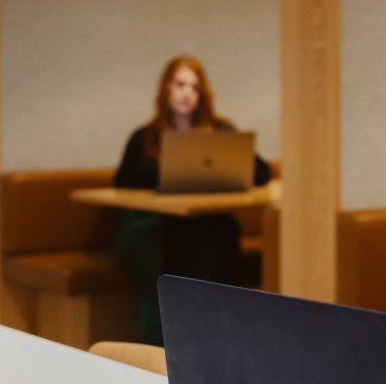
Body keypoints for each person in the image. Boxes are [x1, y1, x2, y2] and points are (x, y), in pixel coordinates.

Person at [114, 55, 271, 344]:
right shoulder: (146, 137)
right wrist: (172, 172)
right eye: (180, 84)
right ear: (166, 88)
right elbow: (123, 180)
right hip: (153, 223)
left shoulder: (220, 131)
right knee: (168, 240)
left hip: (205, 223)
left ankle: (215, 336)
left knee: (220, 233)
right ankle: (162, 340)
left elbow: (261, 172)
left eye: (195, 87)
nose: (187, 93)